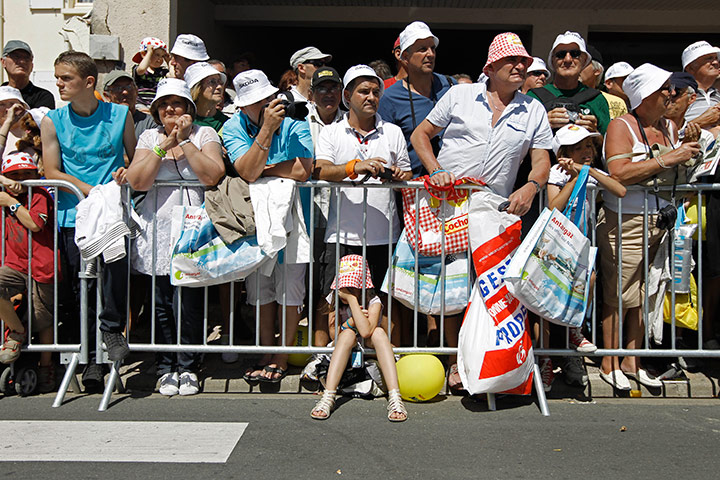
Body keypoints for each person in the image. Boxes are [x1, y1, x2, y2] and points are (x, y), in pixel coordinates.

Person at [411, 32, 552, 390]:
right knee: (448, 288)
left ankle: (477, 363)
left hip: (494, 212)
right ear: (491, 67)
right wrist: (434, 169)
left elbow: (541, 161)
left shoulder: (533, 108)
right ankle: (451, 363)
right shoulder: (460, 95)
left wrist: (532, 186)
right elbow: (420, 136)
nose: (522, 66)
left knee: (487, 291)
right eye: (513, 61)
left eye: (524, 61)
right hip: (448, 205)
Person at [598, 63, 701, 390]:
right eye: (665, 90)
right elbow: (618, 173)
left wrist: (690, 150)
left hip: (659, 222)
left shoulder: (669, 127)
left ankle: (632, 360)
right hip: (625, 221)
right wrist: (667, 159)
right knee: (619, 294)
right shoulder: (621, 126)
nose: (672, 95)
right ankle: (608, 361)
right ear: (645, 95)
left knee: (646, 292)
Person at [41, 51, 136, 392]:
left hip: (111, 215)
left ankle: (109, 338)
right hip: (74, 214)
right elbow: (51, 170)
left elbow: (133, 156)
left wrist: (126, 170)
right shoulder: (52, 120)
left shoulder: (120, 114)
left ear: (89, 82)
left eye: (65, 78)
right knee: (82, 289)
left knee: (112, 279)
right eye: (58, 77)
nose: (59, 84)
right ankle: (89, 361)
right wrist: (91, 191)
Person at [126, 78, 224, 396]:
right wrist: (163, 146)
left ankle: (189, 365)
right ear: (156, 110)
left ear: (189, 109)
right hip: (158, 229)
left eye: (177, 103)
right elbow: (138, 181)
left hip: (194, 227)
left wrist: (185, 142)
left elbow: (212, 174)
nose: (170, 108)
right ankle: (166, 366)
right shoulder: (149, 136)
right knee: (161, 303)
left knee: (189, 302)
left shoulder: (204, 134)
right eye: (164, 104)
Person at [313, 64, 411, 356]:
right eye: (363, 91)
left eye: (375, 92)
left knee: (386, 303)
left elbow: (406, 175)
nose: (371, 97)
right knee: (330, 303)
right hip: (341, 235)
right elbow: (320, 170)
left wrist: (394, 173)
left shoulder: (392, 132)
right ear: (347, 96)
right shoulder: (331, 132)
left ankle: (386, 363)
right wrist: (356, 167)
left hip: (385, 235)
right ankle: (322, 361)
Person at [223, 69, 313, 382]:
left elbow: (303, 170)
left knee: (290, 286)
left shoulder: (295, 118)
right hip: (253, 217)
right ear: (242, 107)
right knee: (260, 286)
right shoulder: (233, 127)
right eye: (256, 102)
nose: (265, 105)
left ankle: (282, 354)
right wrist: (266, 132)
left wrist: (263, 168)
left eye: (268, 97)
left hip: (293, 216)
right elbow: (247, 172)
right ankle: (264, 349)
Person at [542, 124, 626, 391]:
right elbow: (553, 206)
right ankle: (545, 360)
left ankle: (573, 337)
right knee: (546, 301)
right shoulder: (556, 173)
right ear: (564, 153)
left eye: (589, 146)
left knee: (586, 283)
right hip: (556, 243)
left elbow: (620, 190)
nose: (587, 151)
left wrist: (587, 172)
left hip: (582, 245)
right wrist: (572, 179)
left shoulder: (591, 171)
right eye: (579, 148)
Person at [310, 255, 407, 422]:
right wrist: (350, 320)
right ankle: (328, 396)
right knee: (347, 334)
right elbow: (334, 334)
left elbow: (366, 331)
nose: (349, 290)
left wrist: (352, 301)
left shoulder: (373, 301)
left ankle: (394, 396)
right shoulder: (333, 300)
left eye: (353, 287)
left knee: (378, 332)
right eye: (346, 287)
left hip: (368, 346)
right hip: (346, 348)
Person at [0, 152, 56, 392]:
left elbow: (35, 223)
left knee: (43, 319)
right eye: (14, 175)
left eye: (26, 174)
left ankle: (46, 367)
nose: (20, 179)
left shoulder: (39, 194)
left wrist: (10, 202)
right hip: (13, 263)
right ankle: (17, 332)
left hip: (42, 265)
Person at [378, 21, 455, 176]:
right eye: (422, 49)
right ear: (405, 57)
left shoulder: (451, 87)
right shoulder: (389, 98)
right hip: (413, 190)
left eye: (432, 48)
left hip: (454, 185)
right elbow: (386, 147)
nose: (430, 54)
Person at [304, 66, 344, 364]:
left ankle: (340, 352)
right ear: (310, 94)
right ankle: (319, 354)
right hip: (309, 213)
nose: (328, 94)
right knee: (315, 282)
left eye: (333, 88)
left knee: (338, 283)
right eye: (322, 89)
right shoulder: (300, 120)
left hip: (345, 215)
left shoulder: (351, 120)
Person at [527, 31, 610, 134]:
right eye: (561, 55)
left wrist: (594, 132)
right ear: (552, 60)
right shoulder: (534, 97)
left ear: (584, 60)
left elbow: (608, 145)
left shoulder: (596, 99)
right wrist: (543, 124)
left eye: (575, 54)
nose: (567, 59)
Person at [102, 70, 157, 139]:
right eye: (117, 88)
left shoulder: (149, 123)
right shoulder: (101, 124)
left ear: (136, 91)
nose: (125, 92)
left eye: (129, 87)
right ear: (107, 96)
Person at [1, 40, 55, 109]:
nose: (22, 61)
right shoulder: (1, 93)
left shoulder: (43, 96)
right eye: (16, 57)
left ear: (32, 66)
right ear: (3, 62)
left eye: (26, 58)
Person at [682, 41, 720, 135]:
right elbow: (668, 133)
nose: (716, 62)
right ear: (690, 68)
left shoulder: (717, 95)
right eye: (709, 58)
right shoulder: (679, 95)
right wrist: (702, 121)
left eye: (716, 58)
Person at [184, 61, 228, 130]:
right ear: (197, 87)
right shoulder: (183, 122)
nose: (219, 87)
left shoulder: (228, 124)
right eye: (212, 82)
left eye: (220, 82)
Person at [131, 37, 170, 108]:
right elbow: (141, 69)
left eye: (162, 56)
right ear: (143, 54)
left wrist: (169, 62)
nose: (160, 59)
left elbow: (173, 76)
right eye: (157, 55)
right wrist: (149, 52)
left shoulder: (162, 71)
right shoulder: (138, 68)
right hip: (140, 102)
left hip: (156, 104)